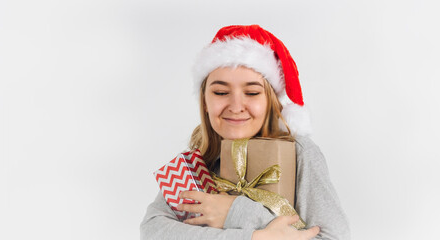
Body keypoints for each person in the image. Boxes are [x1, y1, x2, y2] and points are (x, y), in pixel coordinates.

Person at [140, 25, 350, 240]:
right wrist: (256, 237)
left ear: (270, 101)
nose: (236, 106)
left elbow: (332, 237)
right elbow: (152, 230)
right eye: (221, 92)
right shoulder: (199, 159)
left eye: (251, 92)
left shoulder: (299, 153)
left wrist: (236, 212)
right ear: (204, 101)